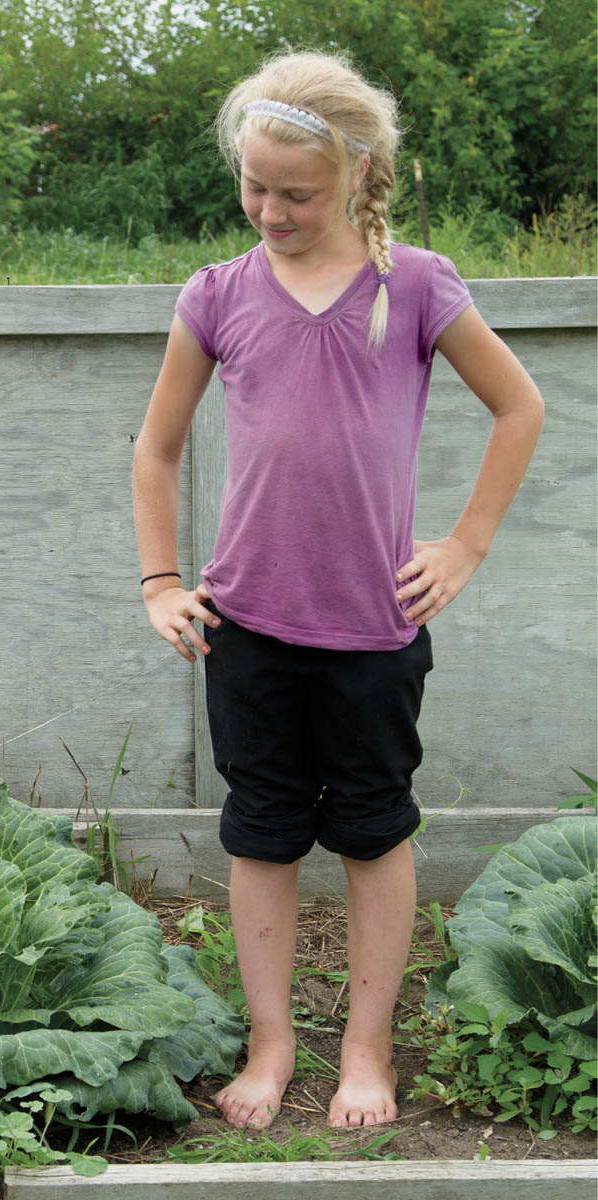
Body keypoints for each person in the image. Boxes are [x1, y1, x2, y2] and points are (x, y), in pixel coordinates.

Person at [132, 49, 544, 1131]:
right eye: (254, 184)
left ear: (360, 180)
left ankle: (366, 1051)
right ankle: (272, 1045)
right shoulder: (216, 294)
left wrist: (464, 544)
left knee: (372, 833)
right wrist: (162, 579)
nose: (269, 208)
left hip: (373, 629)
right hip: (247, 627)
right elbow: (158, 448)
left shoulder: (414, 286)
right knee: (261, 835)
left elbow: (520, 407)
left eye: (297, 193)